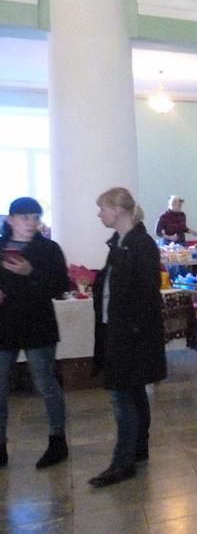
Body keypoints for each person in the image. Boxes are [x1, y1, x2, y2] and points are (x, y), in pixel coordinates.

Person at [90, 188, 166, 487]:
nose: (100, 214)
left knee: (122, 396)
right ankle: (137, 449)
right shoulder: (120, 242)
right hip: (119, 330)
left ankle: (123, 462)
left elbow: (145, 294)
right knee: (133, 393)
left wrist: (131, 332)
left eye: (103, 208)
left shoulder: (141, 245)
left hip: (129, 335)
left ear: (119, 210)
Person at [0, 197, 71, 470]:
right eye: (24, 217)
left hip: (37, 324)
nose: (31, 223)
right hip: (4, 325)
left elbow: (60, 286)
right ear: (10, 220)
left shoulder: (48, 248)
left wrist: (31, 272)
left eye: (35, 217)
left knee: (46, 385)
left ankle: (57, 440)